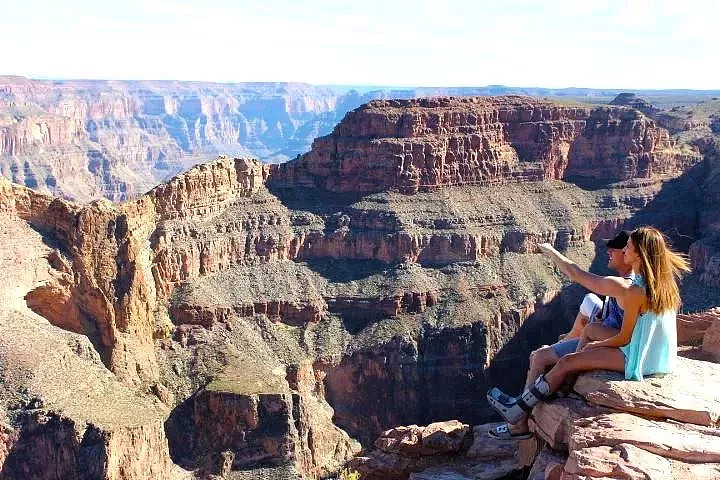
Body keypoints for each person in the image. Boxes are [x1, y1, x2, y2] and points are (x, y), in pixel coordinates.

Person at [486, 226, 690, 440]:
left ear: (639, 253)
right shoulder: (663, 284)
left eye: (628, 247)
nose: (624, 250)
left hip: (637, 358)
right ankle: (529, 403)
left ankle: (518, 409)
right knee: (586, 337)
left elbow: (626, 338)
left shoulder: (635, 291)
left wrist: (596, 347)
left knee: (566, 363)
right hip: (659, 359)